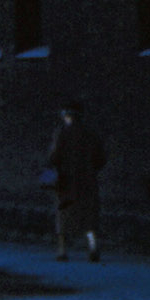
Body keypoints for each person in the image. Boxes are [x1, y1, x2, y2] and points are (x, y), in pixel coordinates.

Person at [44, 100, 106, 263]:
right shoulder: (91, 133)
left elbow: (54, 156)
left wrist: (52, 168)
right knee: (89, 216)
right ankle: (93, 249)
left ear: (67, 115)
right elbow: (101, 158)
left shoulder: (62, 132)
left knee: (63, 216)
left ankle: (62, 251)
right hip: (88, 180)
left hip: (66, 180)